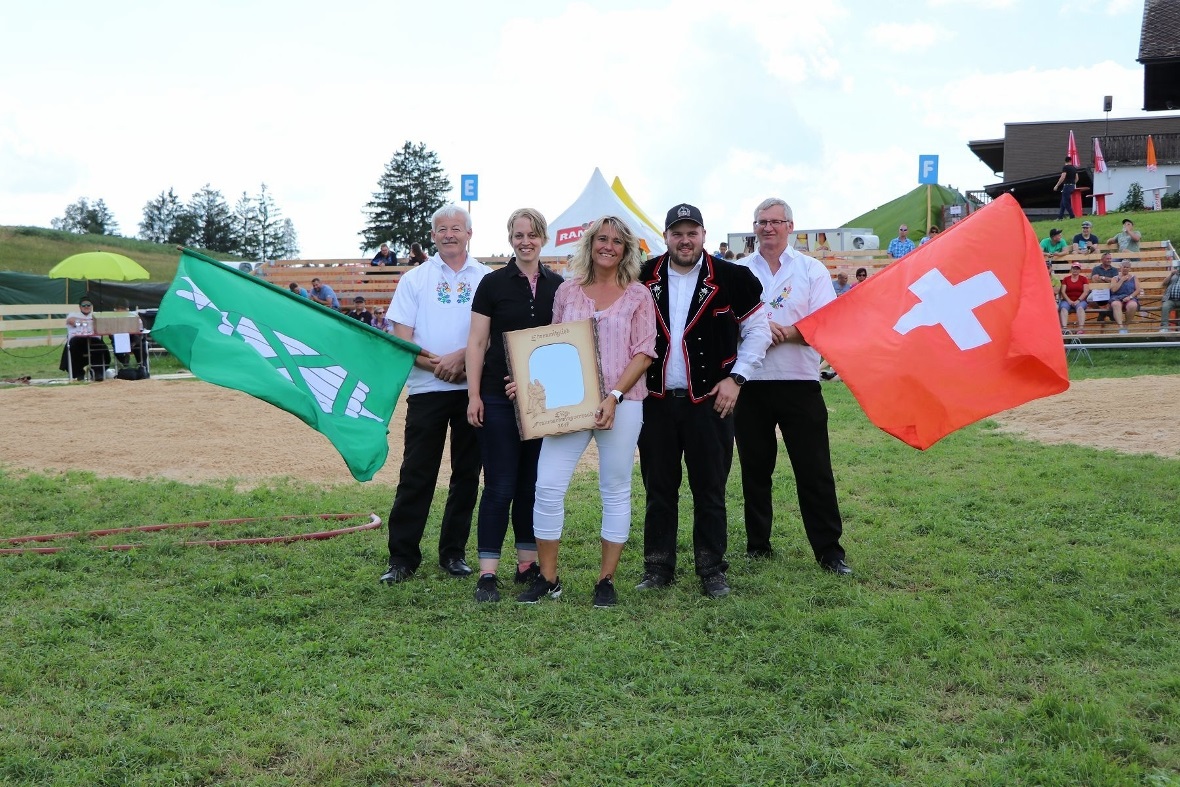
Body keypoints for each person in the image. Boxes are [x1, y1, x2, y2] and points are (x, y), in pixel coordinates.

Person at [516, 215, 657, 607]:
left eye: (615, 240)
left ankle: (606, 580)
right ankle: (548, 579)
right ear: (590, 244)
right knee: (546, 486)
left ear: (626, 248)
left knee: (614, 489)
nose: (607, 246)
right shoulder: (568, 292)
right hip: (569, 404)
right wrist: (527, 380)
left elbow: (644, 351)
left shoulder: (638, 295)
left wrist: (613, 396)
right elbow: (553, 345)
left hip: (623, 403)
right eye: (601, 239)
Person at [635, 203, 771, 599]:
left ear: (704, 235)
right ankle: (658, 566)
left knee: (710, 488)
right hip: (656, 400)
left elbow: (759, 330)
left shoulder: (732, 277)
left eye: (692, 232)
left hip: (711, 401)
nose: (685, 240)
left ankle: (712, 568)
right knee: (659, 487)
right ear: (666, 237)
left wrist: (737, 377)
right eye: (677, 233)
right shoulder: (644, 276)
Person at [734, 198, 852, 577]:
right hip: (750, 383)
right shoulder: (738, 271)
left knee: (814, 468)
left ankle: (829, 551)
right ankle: (758, 544)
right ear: (754, 227)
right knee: (755, 468)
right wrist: (753, 330)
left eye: (775, 222)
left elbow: (826, 322)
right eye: (761, 222)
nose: (768, 228)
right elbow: (726, 322)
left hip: (800, 382)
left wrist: (786, 333)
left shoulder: (811, 269)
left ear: (790, 226)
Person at [379, 205, 491, 585]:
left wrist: (462, 360)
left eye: (456, 228)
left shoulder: (486, 279)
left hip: (472, 391)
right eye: (441, 229)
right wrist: (439, 366)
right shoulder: (414, 280)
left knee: (466, 474)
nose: (449, 235)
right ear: (432, 235)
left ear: (469, 233)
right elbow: (400, 340)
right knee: (416, 473)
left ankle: (453, 553)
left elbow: (492, 335)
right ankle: (402, 557)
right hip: (427, 389)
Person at [465, 208, 563, 603]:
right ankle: (488, 572)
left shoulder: (559, 286)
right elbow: (476, 343)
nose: (526, 241)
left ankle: (527, 564)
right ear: (510, 239)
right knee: (500, 485)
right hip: (497, 397)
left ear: (543, 238)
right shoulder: (492, 284)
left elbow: (562, 345)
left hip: (541, 399)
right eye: (519, 235)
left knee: (531, 486)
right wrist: (473, 395)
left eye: (533, 234)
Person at [59, 298, 110, 381]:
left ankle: (97, 372)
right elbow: (71, 321)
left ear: (91, 306)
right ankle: (78, 373)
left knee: (100, 346)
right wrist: (88, 322)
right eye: (84, 305)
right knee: (74, 344)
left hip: (93, 340)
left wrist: (85, 322)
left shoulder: (96, 315)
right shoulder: (73, 314)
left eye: (88, 305)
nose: (86, 307)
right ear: (80, 307)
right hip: (77, 340)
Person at [1109, 261, 1141, 334]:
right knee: (1115, 304)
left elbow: (1138, 290)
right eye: (1124, 267)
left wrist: (1130, 297)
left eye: (1127, 267)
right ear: (1120, 268)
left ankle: (1126, 325)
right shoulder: (1115, 278)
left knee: (1133, 305)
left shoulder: (1134, 277)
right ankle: (1121, 327)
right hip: (1116, 297)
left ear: (1130, 268)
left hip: (1130, 297)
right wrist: (1121, 280)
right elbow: (1113, 290)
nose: (1125, 268)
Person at [1058, 262, 1090, 333]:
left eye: (1077, 269)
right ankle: (1064, 329)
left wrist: (1078, 300)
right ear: (1071, 269)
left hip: (1080, 300)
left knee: (1080, 308)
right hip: (1067, 300)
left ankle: (1081, 329)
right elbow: (1063, 291)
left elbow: (1085, 291)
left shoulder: (1083, 279)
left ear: (1079, 270)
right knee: (1063, 308)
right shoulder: (1066, 279)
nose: (1075, 270)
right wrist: (1069, 301)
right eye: (1074, 268)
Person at [1053, 154, 1078, 220]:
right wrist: (1073, 183)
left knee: (1065, 202)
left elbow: (1063, 177)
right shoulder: (1074, 168)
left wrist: (1057, 185)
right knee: (1062, 202)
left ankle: (1072, 215)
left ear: (1065, 161)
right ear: (1070, 161)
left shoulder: (1065, 167)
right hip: (1072, 186)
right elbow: (1077, 178)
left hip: (1066, 186)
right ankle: (1060, 217)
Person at [1160, 264, 1180, 333]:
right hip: (1170, 299)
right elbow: (1163, 284)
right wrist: (1171, 274)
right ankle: (1164, 327)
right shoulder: (1173, 275)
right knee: (1165, 306)